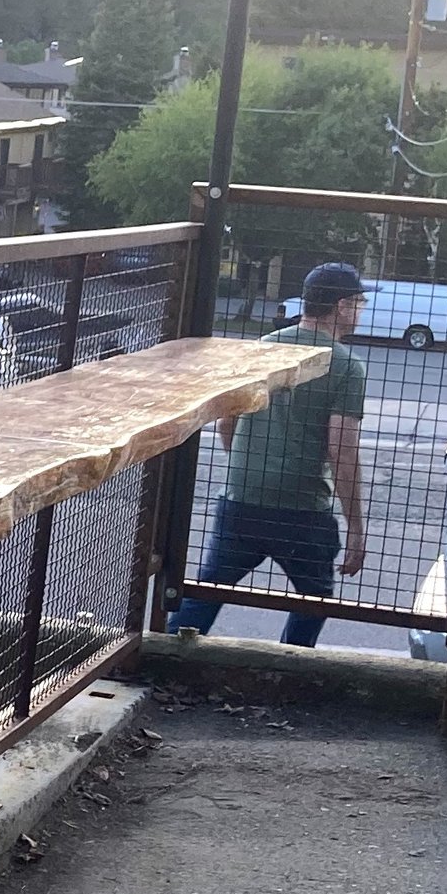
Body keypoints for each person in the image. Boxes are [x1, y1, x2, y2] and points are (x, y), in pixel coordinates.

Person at [168, 261, 369, 647]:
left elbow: (227, 423)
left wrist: (251, 466)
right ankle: (290, 666)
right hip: (302, 507)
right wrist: (356, 527)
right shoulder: (345, 366)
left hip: (242, 498)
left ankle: (170, 653)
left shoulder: (262, 349)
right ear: (341, 306)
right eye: (359, 301)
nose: (362, 309)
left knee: (207, 590)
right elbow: (343, 450)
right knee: (314, 598)